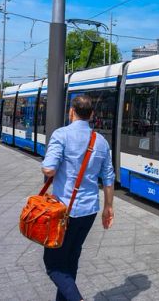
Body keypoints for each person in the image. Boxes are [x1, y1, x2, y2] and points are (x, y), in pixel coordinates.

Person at [41, 95, 115, 301]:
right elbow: (109, 177)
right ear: (91, 115)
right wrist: (108, 208)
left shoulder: (61, 135)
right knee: (70, 260)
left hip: (63, 211)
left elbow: (49, 169)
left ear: (71, 112)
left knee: (53, 264)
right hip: (89, 211)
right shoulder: (100, 141)